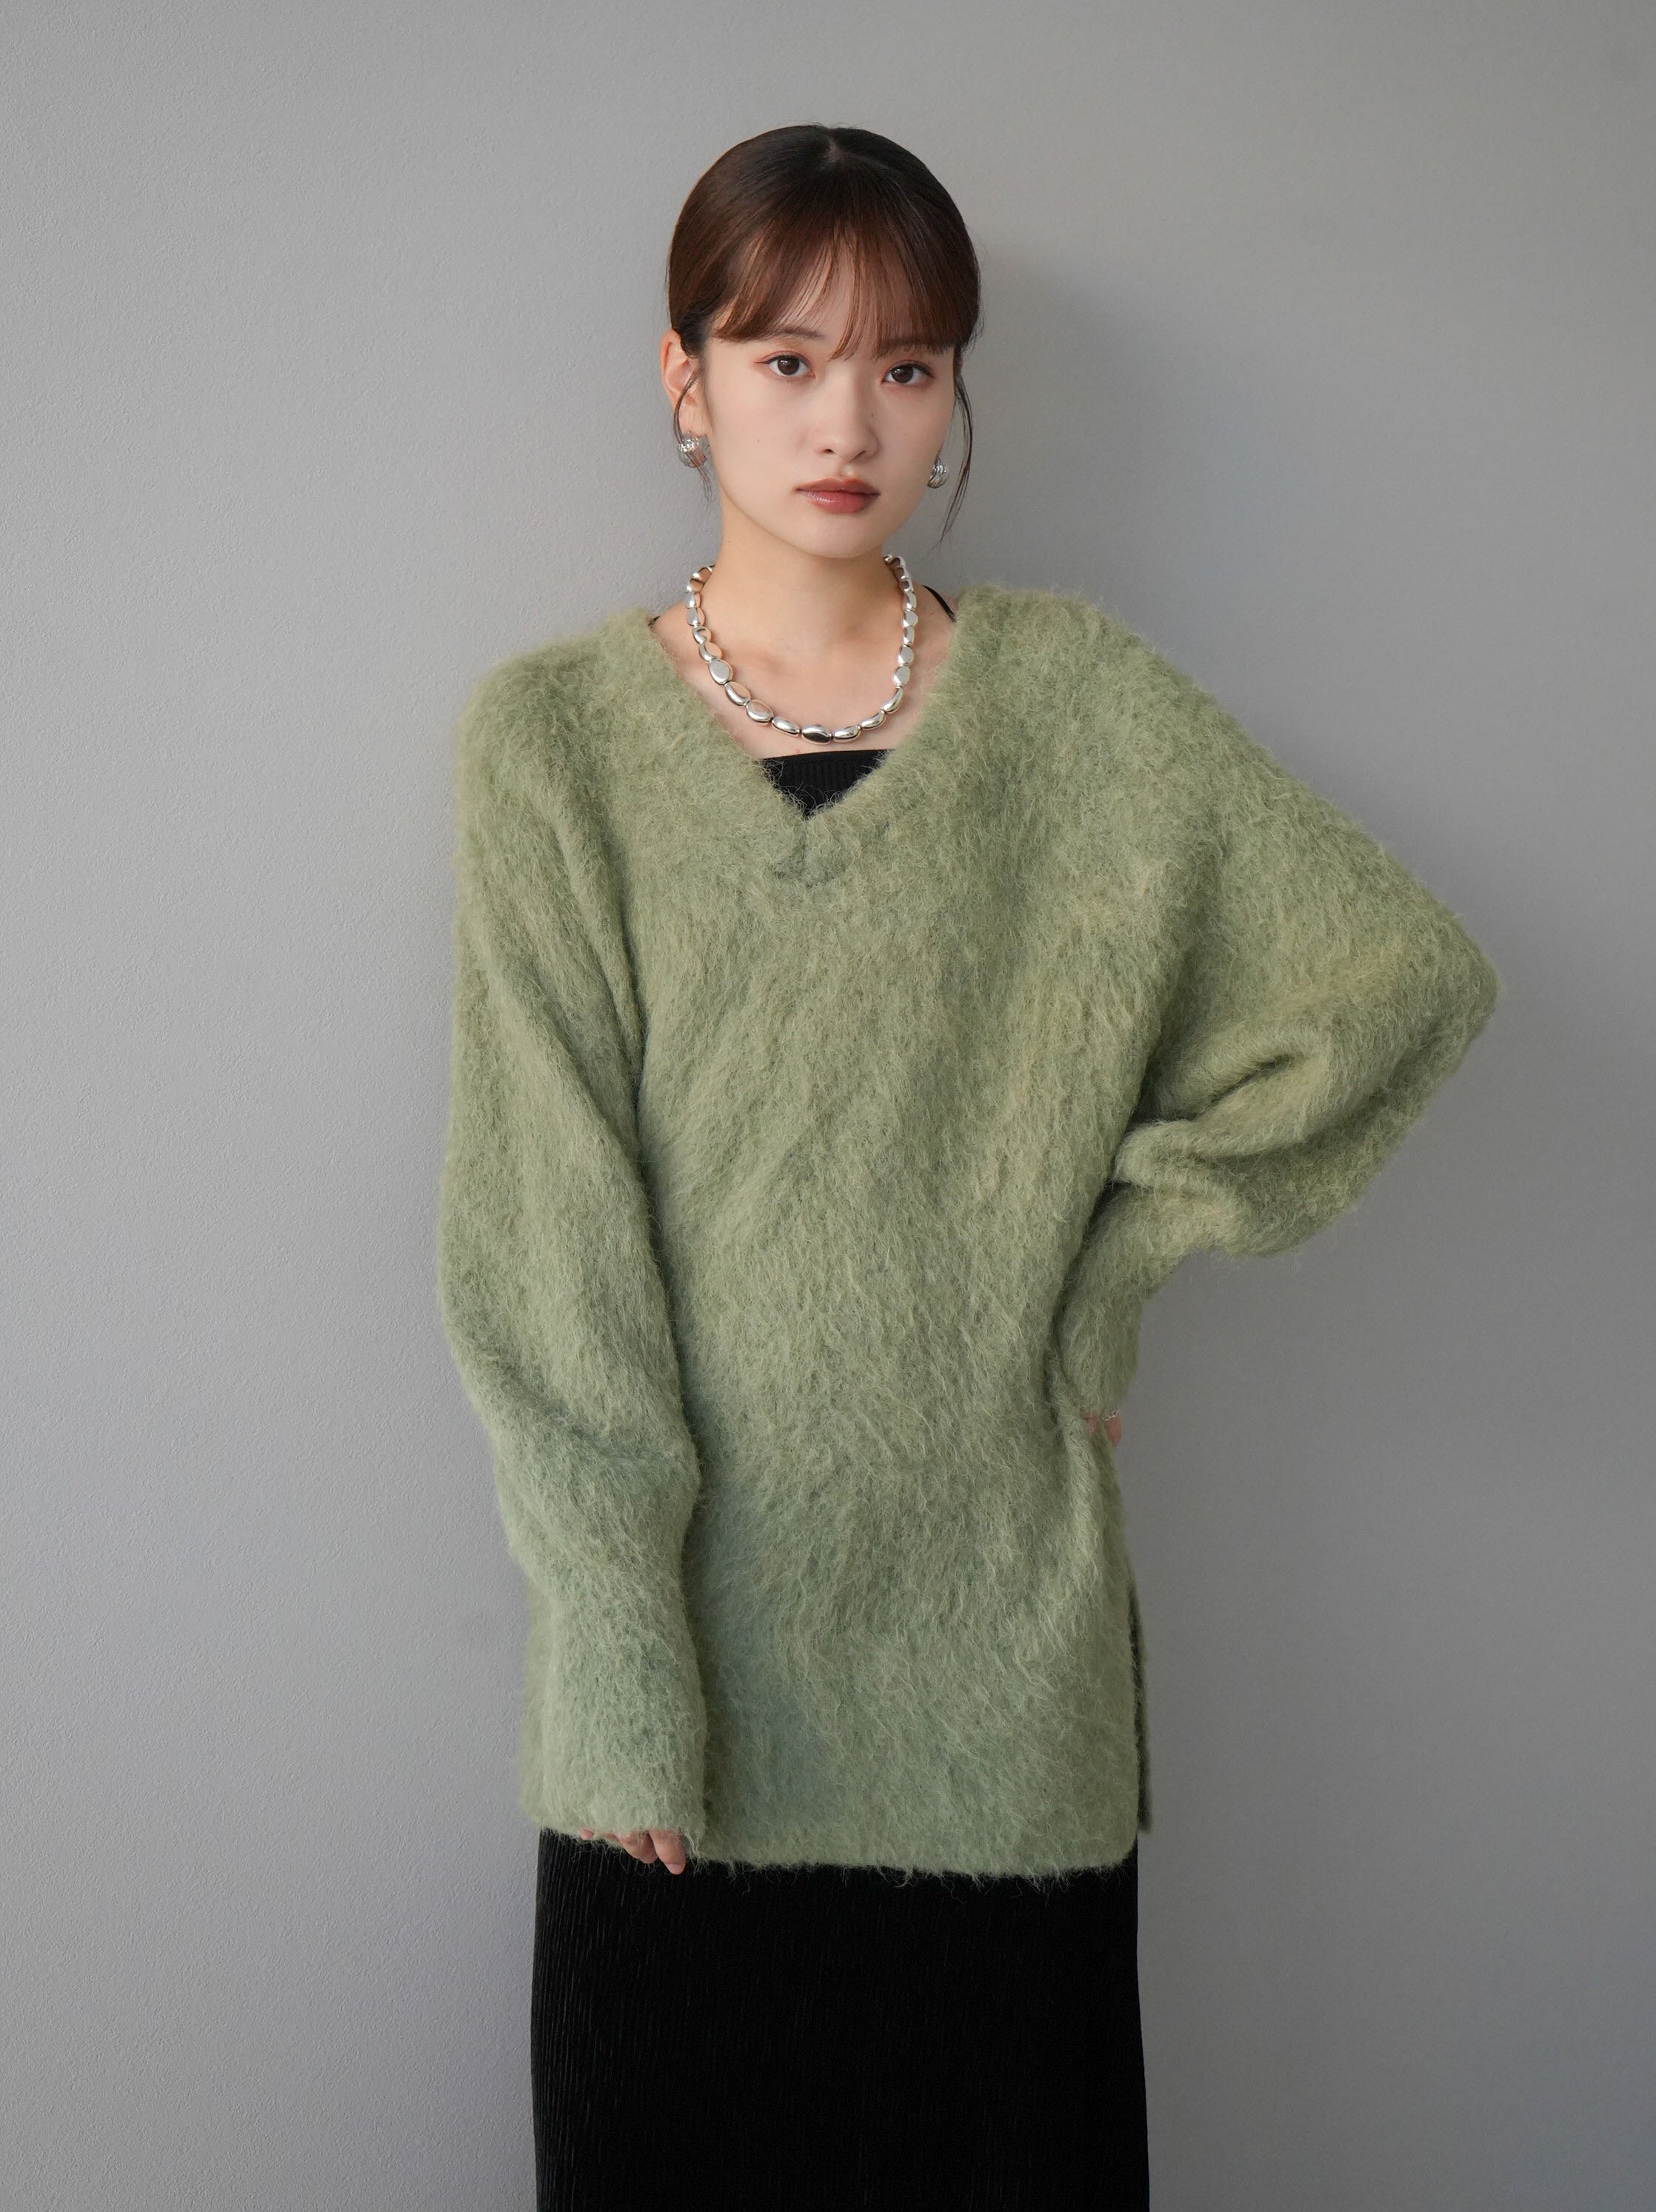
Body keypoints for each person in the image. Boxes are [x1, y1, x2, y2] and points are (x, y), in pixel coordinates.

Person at [435, 124, 1500, 2209]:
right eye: (787, 360)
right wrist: (622, 1651)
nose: (849, 423)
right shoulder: (552, 744)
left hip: (1000, 1694)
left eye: (907, 367)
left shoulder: (1081, 710)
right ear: (684, 380)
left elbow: (1396, 984)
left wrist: (1115, 1266)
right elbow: (542, 1240)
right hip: (678, 1719)